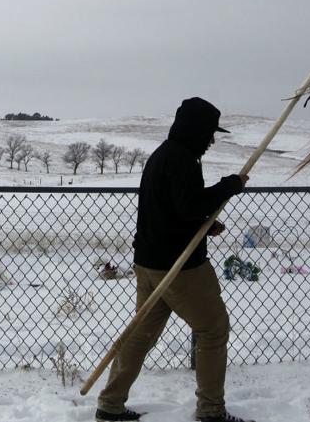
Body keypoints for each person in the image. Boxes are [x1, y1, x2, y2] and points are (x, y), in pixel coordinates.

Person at [96, 97, 253, 422]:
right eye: (209, 133)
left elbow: (173, 211)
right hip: (180, 267)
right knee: (212, 329)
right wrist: (230, 186)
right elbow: (190, 206)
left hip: (149, 262)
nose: (211, 140)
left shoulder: (163, 156)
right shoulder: (182, 160)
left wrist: (204, 226)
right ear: (195, 130)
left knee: (141, 333)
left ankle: (109, 406)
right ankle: (211, 412)